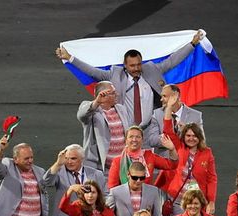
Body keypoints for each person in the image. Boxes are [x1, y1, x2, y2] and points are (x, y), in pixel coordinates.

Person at [56, 31, 203, 126]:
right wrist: (70, 58)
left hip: (150, 127)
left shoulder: (151, 69)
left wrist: (192, 44)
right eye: (132, 66)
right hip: (124, 129)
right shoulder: (114, 74)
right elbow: (92, 71)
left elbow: (172, 60)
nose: (137, 68)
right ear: (125, 66)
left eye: (139, 64)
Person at [156, 93, 217, 215]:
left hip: (198, 201)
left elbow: (212, 179)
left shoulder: (207, 153)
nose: (191, 139)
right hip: (178, 200)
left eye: (195, 136)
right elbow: (167, 128)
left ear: (200, 137)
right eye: (188, 135)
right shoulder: (179, 146)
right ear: (184, 137)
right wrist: (169, 107)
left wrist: (211, 201)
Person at [77, 81, 133, 176]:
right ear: (102, 95)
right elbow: (81, 115)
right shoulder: (91, 109)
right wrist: (97, 102)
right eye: (113, 93)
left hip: (122, 167)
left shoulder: (121, 109)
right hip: (99, 168)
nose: (117, 94)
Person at [107, 125, 178, 188]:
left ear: (142, 140)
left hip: (145, 199)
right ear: (126, 140)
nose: (134, 140)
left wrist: (172, 149)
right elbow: (112, 187)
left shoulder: (149, 156)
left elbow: (172, 165)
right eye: (131, 137)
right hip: (124, 200)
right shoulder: (118, 161)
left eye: (138, 137)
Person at [146, 84, 203, 153]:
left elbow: (200, 139)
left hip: (187, 160)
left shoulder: (195, 115)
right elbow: (152, 140)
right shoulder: (156, 114)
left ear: (176, 96)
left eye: (164, 96)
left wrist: (186, 132)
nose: (161, 100)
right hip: (164, 160)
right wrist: (172, 137)